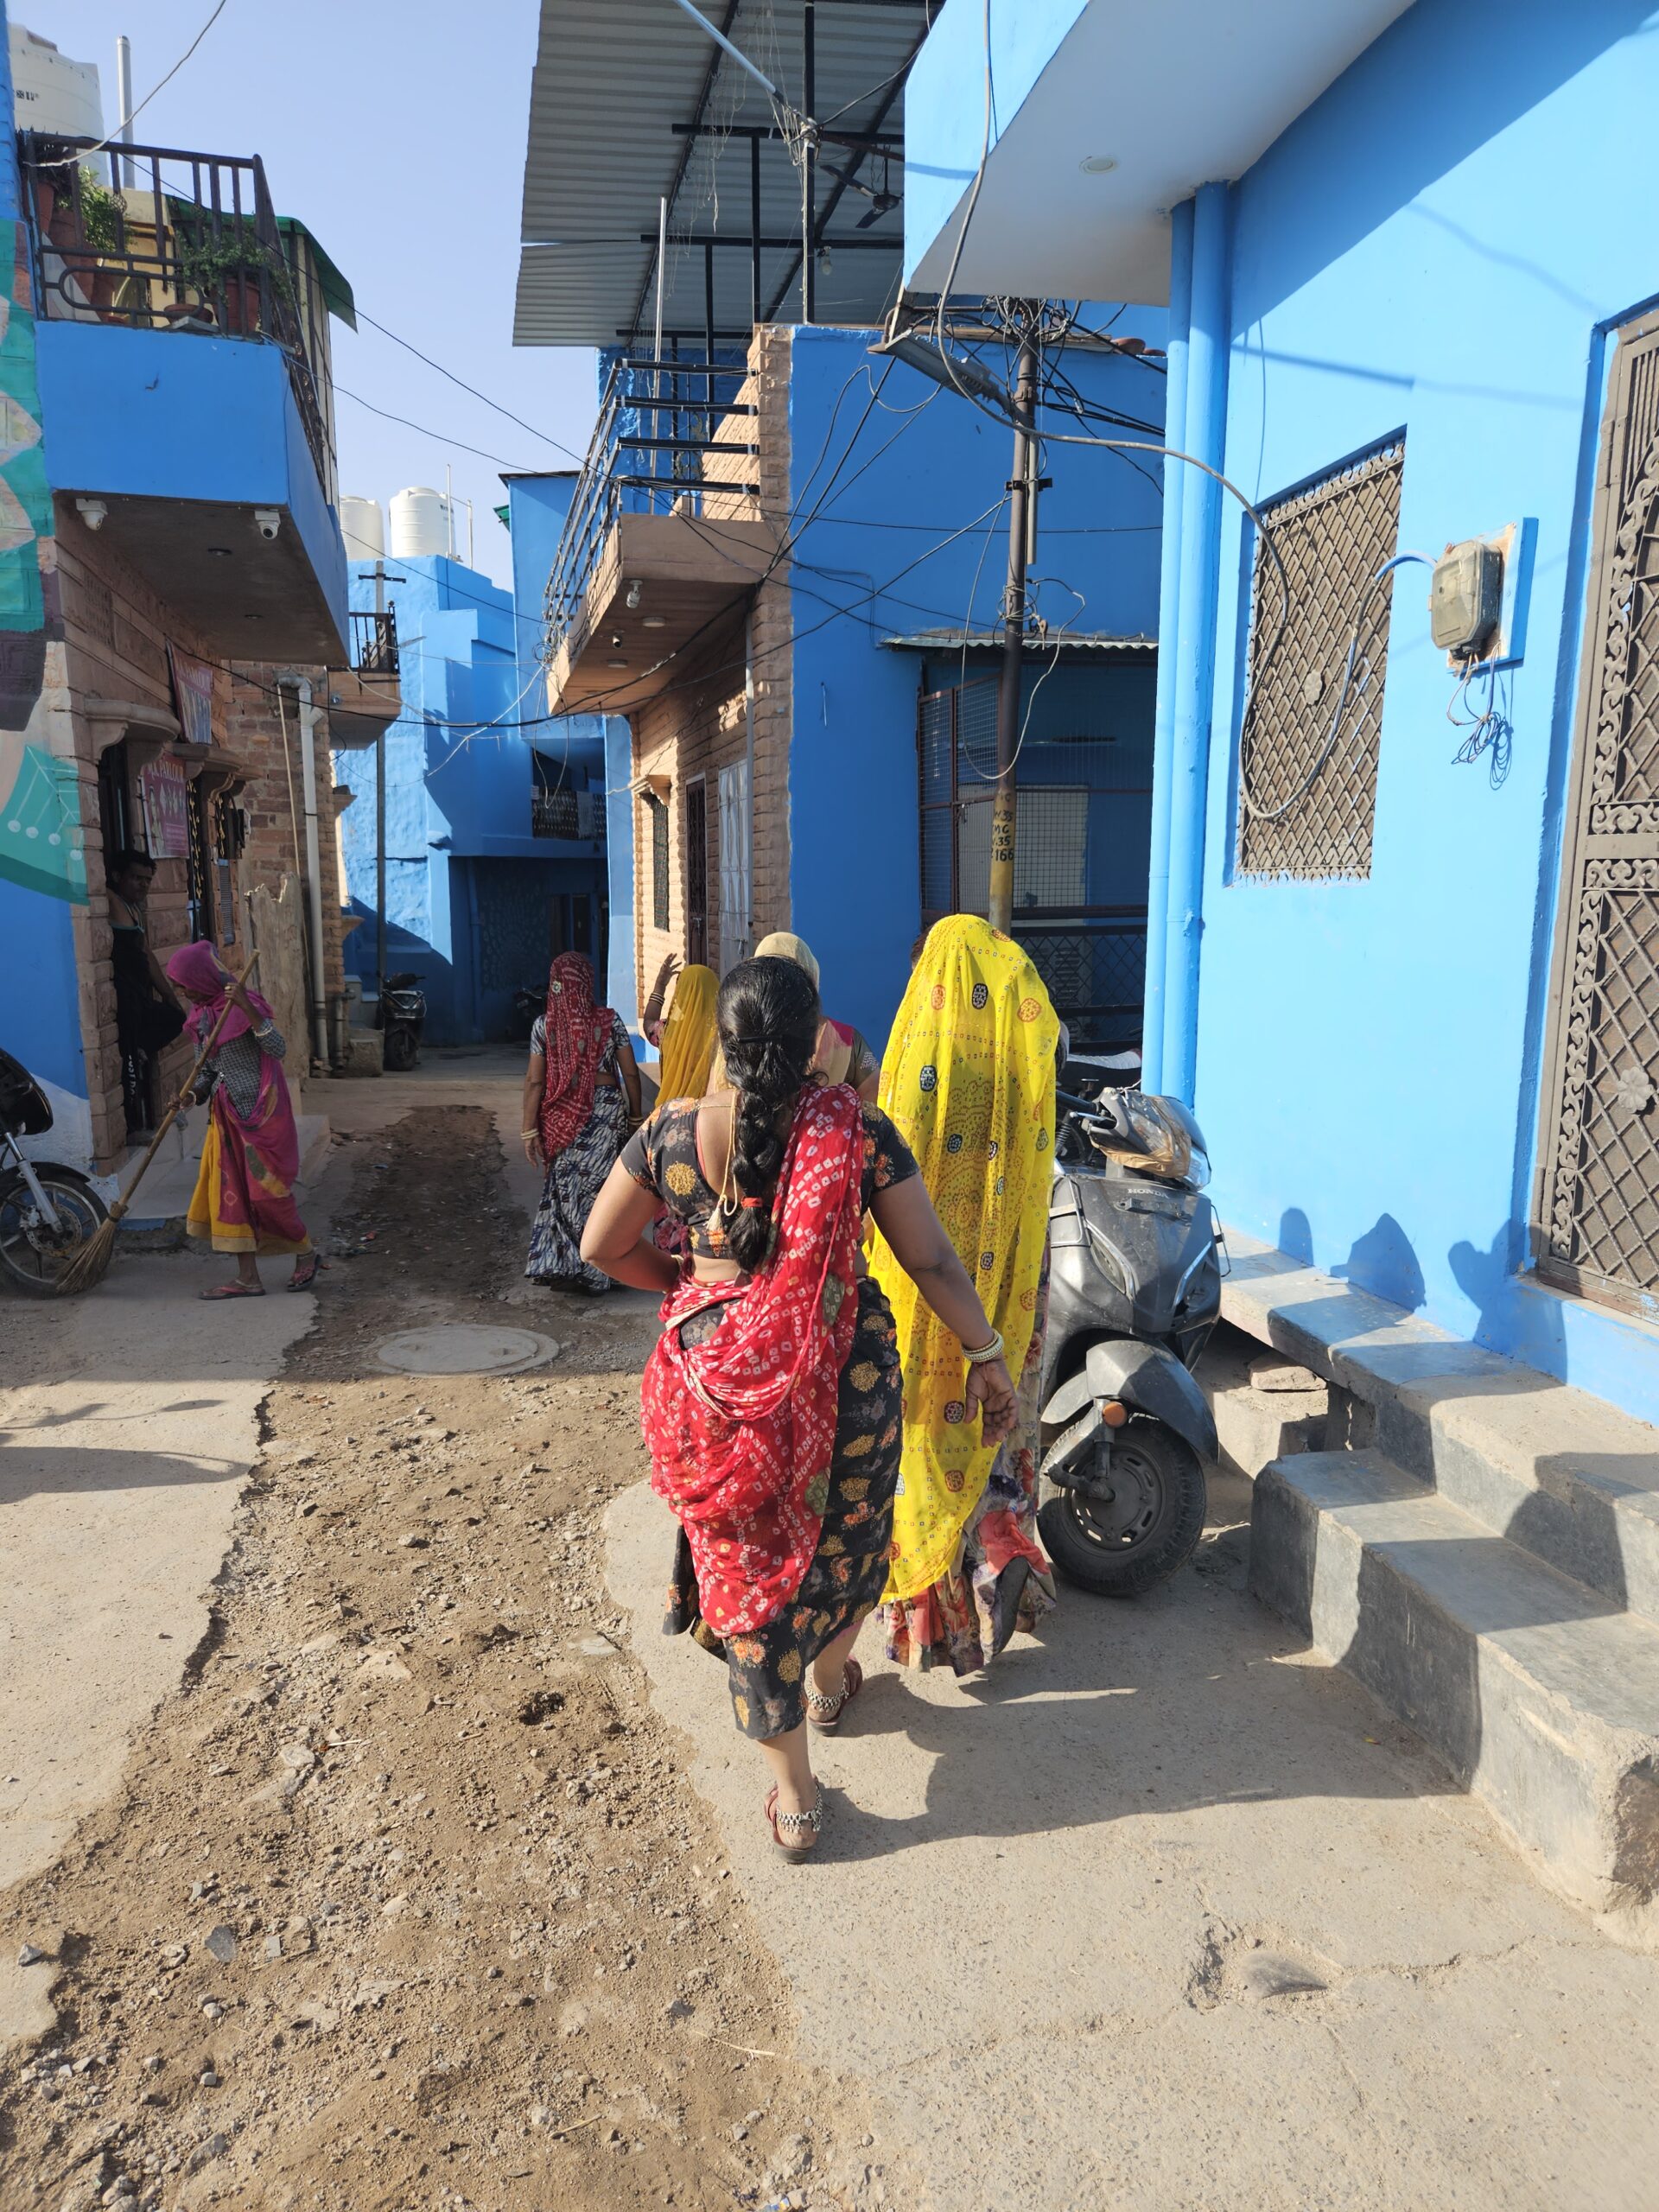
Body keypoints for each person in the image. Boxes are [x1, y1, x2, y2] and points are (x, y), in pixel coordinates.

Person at [580, 954, 1018, 1859]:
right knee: (847, 1536)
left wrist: (690, 1287)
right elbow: (932, 1260)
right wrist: (986, 1356)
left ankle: (795, 1795)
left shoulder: (667, 1134)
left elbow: (600, 1243)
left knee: (749, 1574)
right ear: (818, 1038)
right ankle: (828, 1675)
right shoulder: (854, 1132)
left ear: (725, 1044)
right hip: (846, 1381)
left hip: (716, 1391)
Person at [870, 916, 1060, 1675]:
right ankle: (1004, 1543)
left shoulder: (918, 1046)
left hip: (925, 1296)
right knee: (998, 1430)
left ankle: (940, 1624)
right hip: (1009, 1288)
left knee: (922, 1445)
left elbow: (886, 1183)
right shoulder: (1021, 1045)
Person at [166, 943, 319, 1300]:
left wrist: (247, 1009)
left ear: (202, 978)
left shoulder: (243, 1007)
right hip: (225, 1117)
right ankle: (248, 1278)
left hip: (262, 1116)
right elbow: (205, 1073)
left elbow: (278, 1050)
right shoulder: (201, 1018)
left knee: (269, 1196)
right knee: (230, 1197)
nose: (183, 992)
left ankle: (307, 1253)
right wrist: (189, 1097)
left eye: (184, 984)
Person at [521, 951, 641, 1293]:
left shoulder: (545, 1026)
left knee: (566, 1190)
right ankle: (600, 1266)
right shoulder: (609, 1021)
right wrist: (634, 1117)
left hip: (559, 1116)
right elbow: (630, 1073)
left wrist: (529, 1129)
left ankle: (569, 1265)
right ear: (588, 983)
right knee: (602, 1191)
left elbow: (535, 1082)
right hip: (604, 1114)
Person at [709, 931, 880, 1101]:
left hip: (744, 1127)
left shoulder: (735, 1035)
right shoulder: (848, 1040)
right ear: (810, 980)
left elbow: (715, 1100)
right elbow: (874, 1101)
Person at [108, 849, 185, 1135]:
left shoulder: (133, 908)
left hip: (141, 995)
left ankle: (140, 1049)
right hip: (124, 996)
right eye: (135, 878)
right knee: (128, 1065)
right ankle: (130, 1127)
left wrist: (169, 996)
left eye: (147, 880)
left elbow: (148, 956)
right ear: (117, 877)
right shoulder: (111, 899)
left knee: (174, 1018)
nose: (142, 885)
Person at [653, 961, 719, 1104]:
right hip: (707, 1116)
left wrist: (660, 985)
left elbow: (648, 1023)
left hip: (670, 1115)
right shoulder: (723, 1038)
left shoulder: (667, 1033)